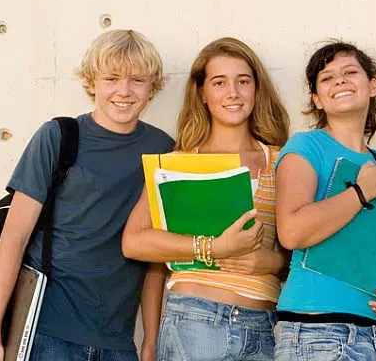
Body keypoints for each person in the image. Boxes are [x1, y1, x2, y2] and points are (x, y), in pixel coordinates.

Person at [0, 29, 175, 361]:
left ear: (151, 88)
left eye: (137, 80)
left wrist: (150, 341)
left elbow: (154, 259)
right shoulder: (58, 137)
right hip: (45, 333)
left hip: (117, 341)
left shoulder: (163, 151)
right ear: (92, 82)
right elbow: (14, 237)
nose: (123, 91)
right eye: (111, 78)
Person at [121, 37, 291, 360]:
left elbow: (304, 249)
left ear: (257, 88)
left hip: (265, 327)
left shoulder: (284, 162)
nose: (233, 93)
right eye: (219, 82)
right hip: (195, 321)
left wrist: (274, 262)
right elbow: (135, 242)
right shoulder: (178, 163)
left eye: (243, 81)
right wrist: (212, 248)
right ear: (202, 92)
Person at [273, 41, 376, 360]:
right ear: (316, 100)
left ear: (372, 85)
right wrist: (361, 192)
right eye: (327, 78)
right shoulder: (307, 147)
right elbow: (292, 232)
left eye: (350, 72)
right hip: (316, 329)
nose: (340, 80)